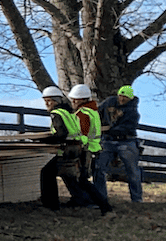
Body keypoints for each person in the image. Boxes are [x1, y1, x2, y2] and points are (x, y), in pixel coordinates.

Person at [37, 86, 112, 215]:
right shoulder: (71, 112)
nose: (47, 104)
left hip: (75, 149)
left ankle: (52, 206)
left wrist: (44, 141)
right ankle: (101, 205)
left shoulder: (78, 113)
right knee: (76, 179)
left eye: (50, 100)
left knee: (49, 173)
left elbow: (63, 133)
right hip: (81, 148)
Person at [98, 85, 144, 203]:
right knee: (99, 167)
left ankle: (137, 199)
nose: (122, 99)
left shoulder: (133, 112)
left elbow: (125, 128)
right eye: (120, 96)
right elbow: (98, 112)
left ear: (130, 98)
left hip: (126, 141)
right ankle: (100, 197)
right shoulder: (109, 102)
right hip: (107, 140)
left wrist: (107, 129)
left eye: (125, 97)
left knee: (132, 170)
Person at [67, 85, 103, 207]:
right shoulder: (93, 111)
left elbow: (82, 133)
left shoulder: (82, 114)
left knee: (81, 178)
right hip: (94, 147)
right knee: (85, 178)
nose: (73, 102)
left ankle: (94, 202)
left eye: (75, 99)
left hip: (85, 149)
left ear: (82, 100)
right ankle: (88, 200)